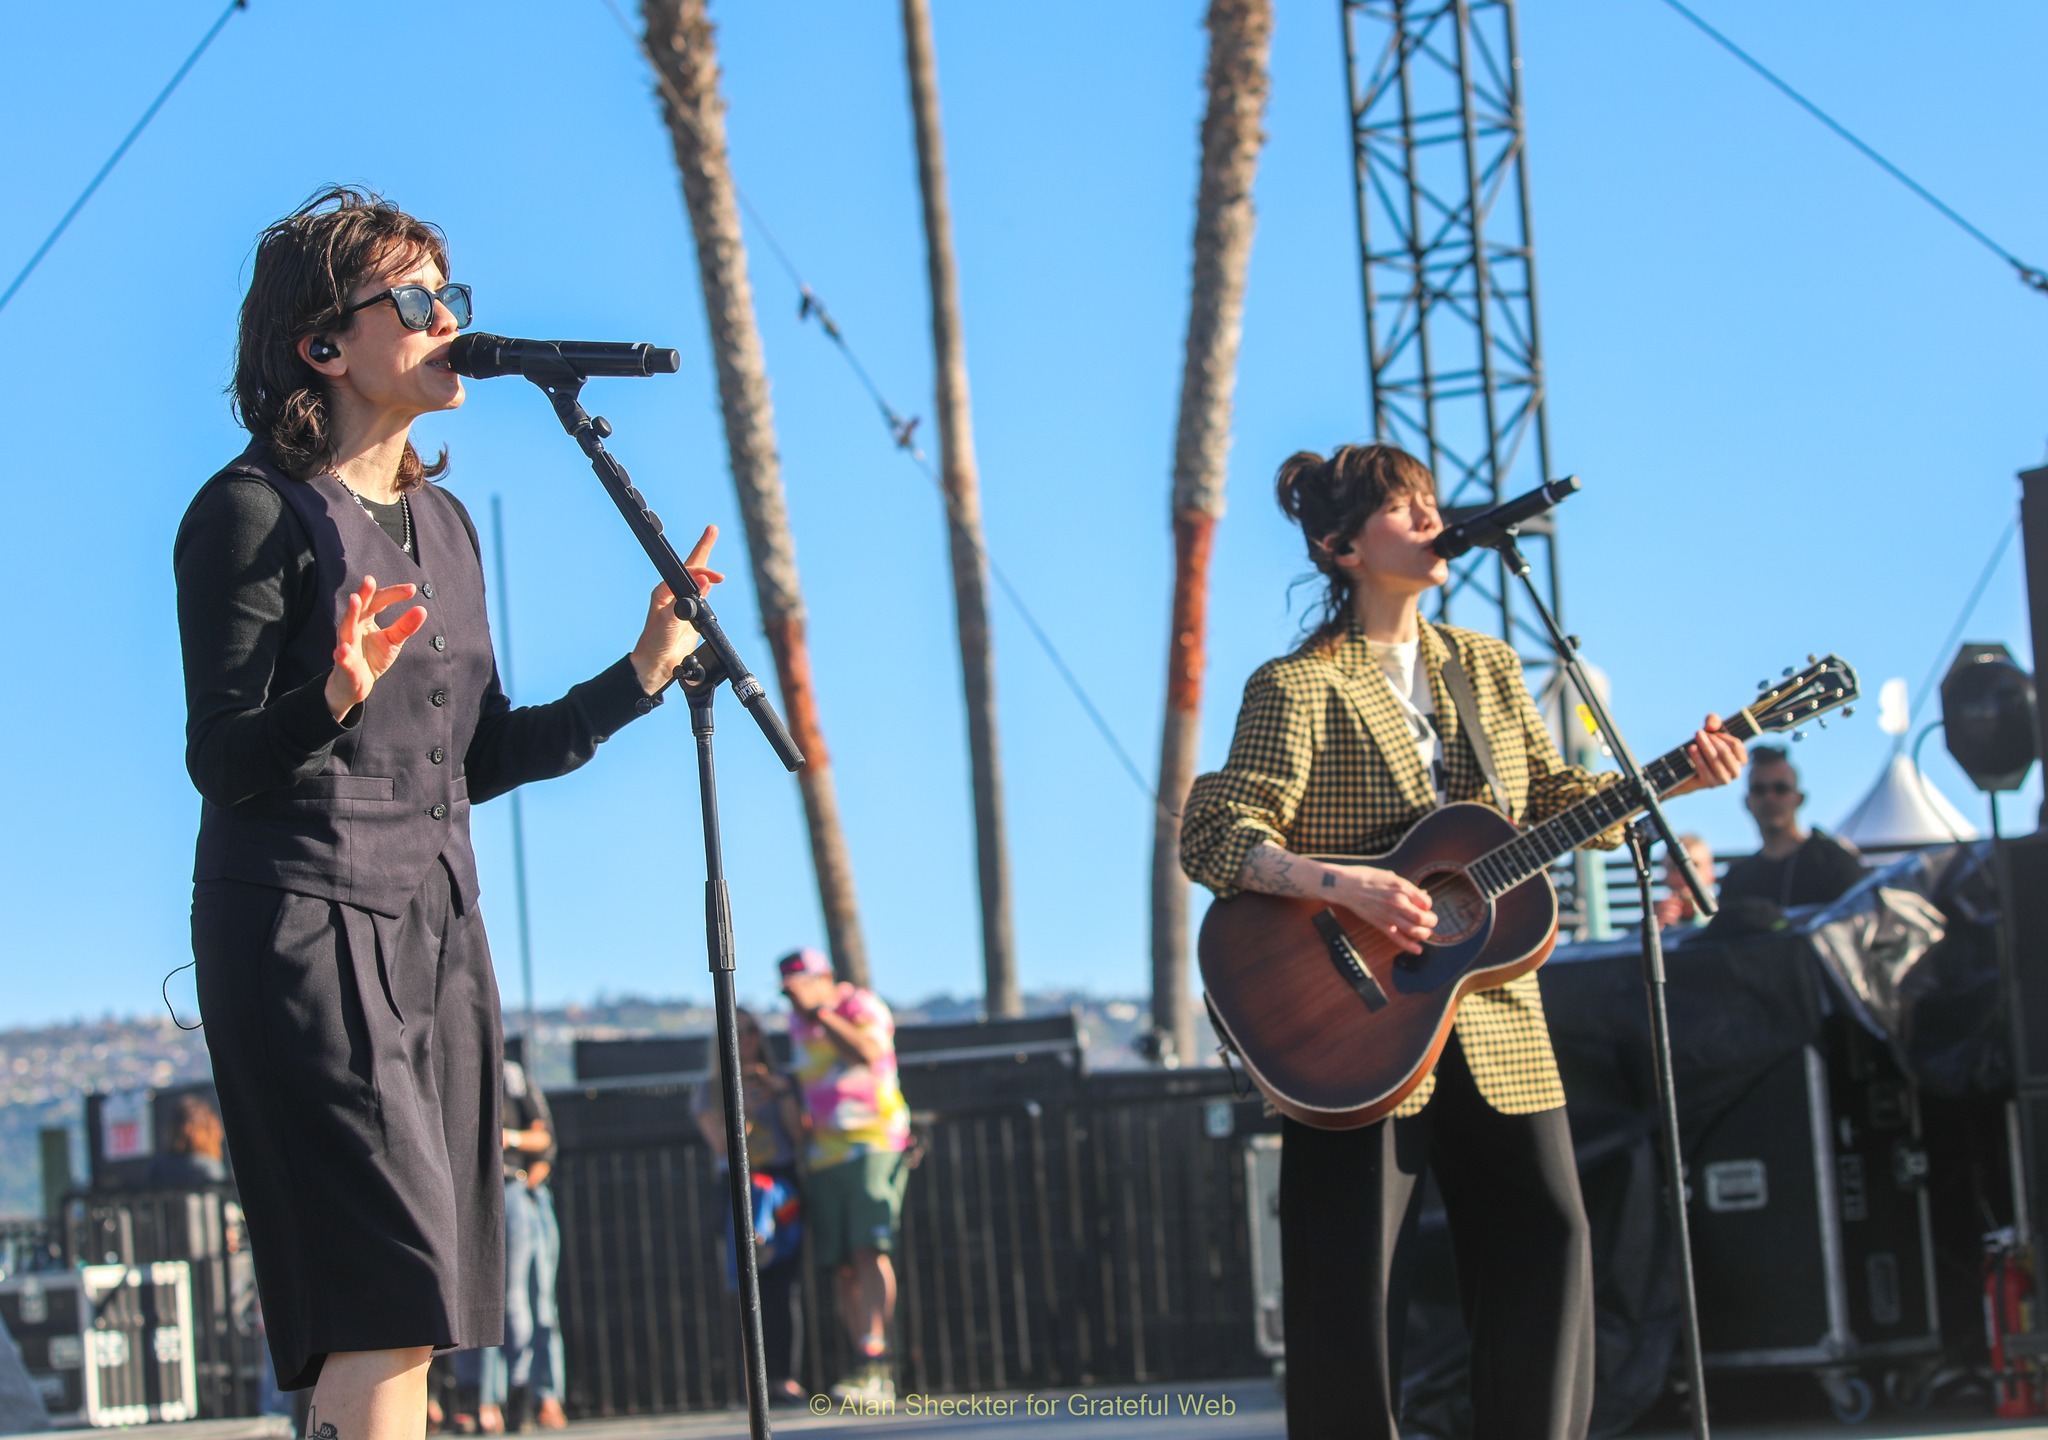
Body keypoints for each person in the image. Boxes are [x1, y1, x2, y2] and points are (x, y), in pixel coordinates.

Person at [176, 187, 723, 1440]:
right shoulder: (249, 513)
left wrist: (637, 678)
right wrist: (328, 696)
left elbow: (472, 758)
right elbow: (222, 760)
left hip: (436, 928)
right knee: (385, 1284)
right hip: (305, 932)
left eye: (450, 298)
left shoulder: (446, 528)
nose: (447, 321)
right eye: (414, 303)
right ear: (323, 345)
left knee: (423, 1300)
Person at [1178, 444, 1746, 1440]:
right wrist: (1341, 882)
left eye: (1432, 502)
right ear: (1340, 546)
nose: (1432, 519)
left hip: (1494, 1016)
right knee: (1351, 1295)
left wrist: (1670, 778)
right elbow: (1212, 835)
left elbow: (1554, 804)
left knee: (1549, 1243)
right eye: (1405, 508)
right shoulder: (1297, 686)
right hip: (1349, 1024)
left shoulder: (1482, 665)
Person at [777, 948, 910, 1407]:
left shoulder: (859, 1007)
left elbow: (868, 1053)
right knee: (840, 1265)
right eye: (786, 989)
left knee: (868, 1248)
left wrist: (822, 1014)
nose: (792, 997)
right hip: (823, 1157)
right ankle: (863, 1363)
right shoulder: (795, 1027)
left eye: (800, 984)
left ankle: (879, 1362)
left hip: (872, 1143)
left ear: (825, 977)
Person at [693, 1007, 807, 1405]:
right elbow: (726, 1144)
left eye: (753, 1031)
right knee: (745, 1283)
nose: (748, 1040)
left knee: (782, 1285)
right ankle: (753, 1381)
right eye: (738, 1032)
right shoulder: (710, 1089)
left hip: (779, 1184)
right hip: (738, 1185)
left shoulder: (781, 1081)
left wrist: (782, 1094)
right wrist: (746, 1105)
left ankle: (783, 1376)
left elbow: (797, 1135)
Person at [1720, 745, 1864, 910]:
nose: (1769, 798)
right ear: (1747, 802)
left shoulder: (1833, 861)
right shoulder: (1737, 879)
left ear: (1799, 798)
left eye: (1780, 788)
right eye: (1759, 790)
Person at [1652, 832, 1716, 930]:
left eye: (1694, 866)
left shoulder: (1732, 919)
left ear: (1710, 872)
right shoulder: (1648, 927)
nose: (1683, 875)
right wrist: (1654, 931)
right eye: (1674, 867)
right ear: (1665, 875)